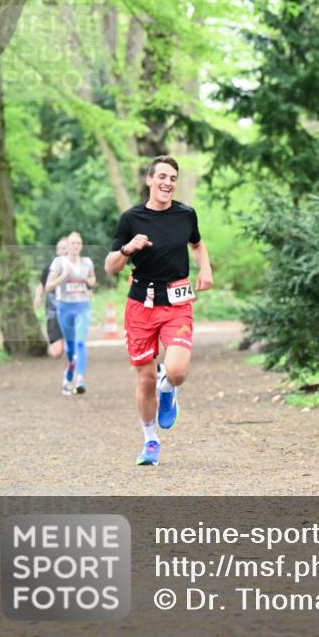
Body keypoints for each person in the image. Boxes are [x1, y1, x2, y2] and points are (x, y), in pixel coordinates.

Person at [104, 156, 213, 466]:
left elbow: (197, 244)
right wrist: (127, 249)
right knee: (145, 379)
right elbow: (111, 266)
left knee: (176, 371)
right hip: (141, 305)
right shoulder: (131, 219)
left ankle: (169, 388)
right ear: (149, 180)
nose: (168, 183)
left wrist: (205, 268)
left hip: (177, 301)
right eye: (162, 176)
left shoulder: (185, 214)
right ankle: (150, 440)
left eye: (173, 178)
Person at [45, 232, 95, 395]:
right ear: (68, 245)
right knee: (70, 347)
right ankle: (68, 375)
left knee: (80, 342)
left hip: (82, 307)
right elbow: (48, 286)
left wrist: (88, 281)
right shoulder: (59, 262)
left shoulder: (87, 262)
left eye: (78, 243)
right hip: (64, 307)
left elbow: (92, 280)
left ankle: (80, 380)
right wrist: (63, 276)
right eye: (73, 243)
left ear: (81, 245)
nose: (75, 246)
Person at [34, 237, 68, 359]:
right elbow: (42, 285)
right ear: (57, 251)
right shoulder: (50, 268)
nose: (64, 251)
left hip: (70, 306)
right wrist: (38, 296)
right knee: (56, 353)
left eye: (66, 248)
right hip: (53, 308)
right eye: (61, 248)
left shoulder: (76, 266)